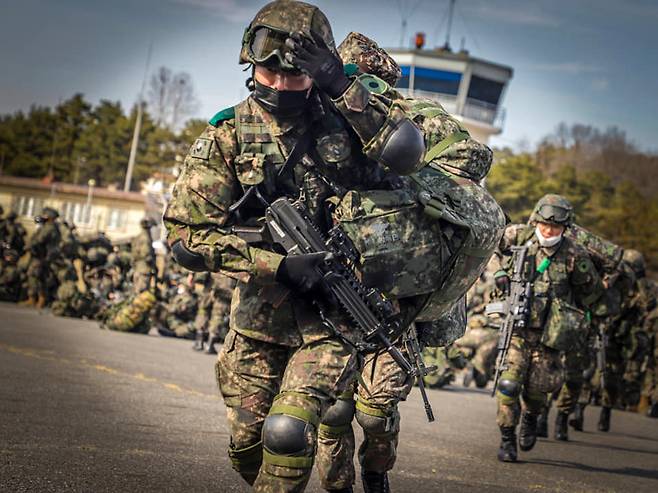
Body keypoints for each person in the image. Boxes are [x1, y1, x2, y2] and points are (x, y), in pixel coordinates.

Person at [164, 4, 503, 492]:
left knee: (290, 431)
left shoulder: (346, 120)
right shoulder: (228, 133)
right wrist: (276, 266)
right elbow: (185, 235)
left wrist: (342, 86)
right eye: (269, 71)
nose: (280, 85)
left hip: (333, 316)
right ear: (248, 63)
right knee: (247, 445)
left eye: (296, 74)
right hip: (262, 314)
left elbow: (405, 152)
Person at [490, 194, 603, 462]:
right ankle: (507, 439)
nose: (548, 231)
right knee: (508, 384)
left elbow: (591, 293)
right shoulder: (518, 236)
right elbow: (487, 243)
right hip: (518, 327)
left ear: (565, 228)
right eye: (544, 225)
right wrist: (498, 272)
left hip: (551, 335)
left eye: (555, 227)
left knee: (538, 389)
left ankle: (531, 417)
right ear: (535, 221)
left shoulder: (575, 254)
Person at [24, 207, 62, 308]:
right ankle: (35, 298)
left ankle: (38, 298)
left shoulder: (49, 227)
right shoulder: (48, 226)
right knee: (39, 276)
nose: (43, 216)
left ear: (50, 216)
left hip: (43, 256)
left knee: (35, 275)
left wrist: (29, 246)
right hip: (42, 255)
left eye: (45, 214)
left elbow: (40, 240)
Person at [131, 218, 156, 293]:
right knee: (142, 292)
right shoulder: (146, 238)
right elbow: (146, 253)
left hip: (137, 268)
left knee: (136, 290)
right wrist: (153, 264)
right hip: (144, 268)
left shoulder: (138, 237)